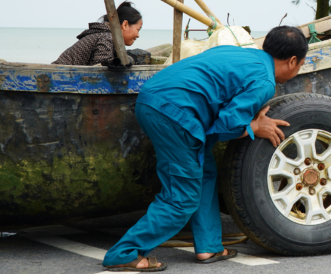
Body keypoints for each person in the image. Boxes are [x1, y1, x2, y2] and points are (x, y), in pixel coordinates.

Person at [103, 26, 307, 271]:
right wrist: (254, 126)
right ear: (292, 61)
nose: (299, 70)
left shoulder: (239, 53)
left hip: (154, 100)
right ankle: (124, 253)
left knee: (205, 170)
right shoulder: (264, 81)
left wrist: (250, 119)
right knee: (182, 198)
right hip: (173, 112)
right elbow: (225, 127)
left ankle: (209, 246)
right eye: (301, 65)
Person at [53, 1, 142, 66]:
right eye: (138, 29)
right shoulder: (107, 37)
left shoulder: (103, 34)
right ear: (125, 25)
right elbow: (101, 67)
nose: (138, 35)